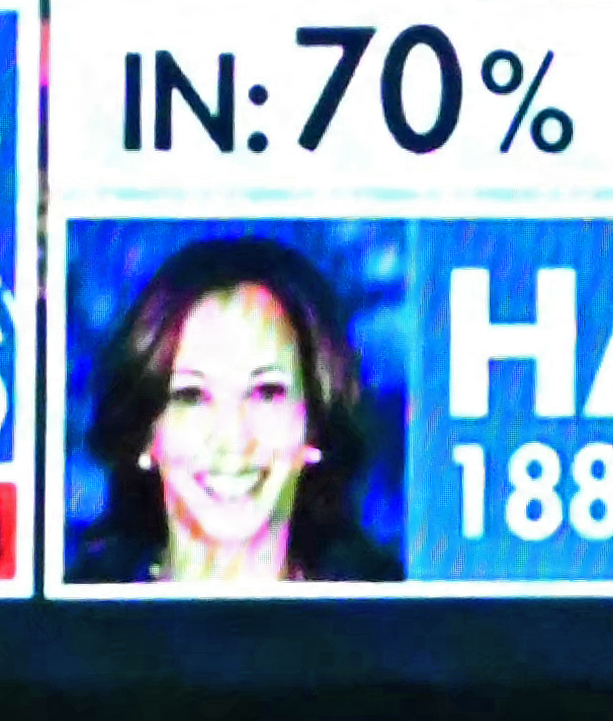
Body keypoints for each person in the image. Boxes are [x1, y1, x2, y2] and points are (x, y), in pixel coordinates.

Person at [56, 234, 403, 586]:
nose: (232, 438)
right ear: (146, 432)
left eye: (266, 393)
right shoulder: (75, 627)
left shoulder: (388, 621)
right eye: (192, 396)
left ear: (314, 423)